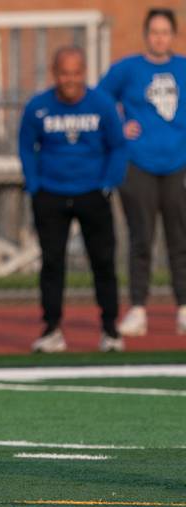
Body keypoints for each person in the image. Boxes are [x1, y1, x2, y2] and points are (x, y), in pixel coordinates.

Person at [18, 45, 128, 353]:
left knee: (103, 262)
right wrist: (34, 183)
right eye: (64, 73)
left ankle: (110, 329)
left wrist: (108, 183)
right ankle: (52, 329)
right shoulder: (38, 107)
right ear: (55, 74)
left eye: (76, 73)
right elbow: (27, 146)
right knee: (52, 263)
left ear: (84, 73)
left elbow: (118, 146)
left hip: (92, 193)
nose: (70, 79)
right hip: (50, 195)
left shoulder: (102, 104)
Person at [98, 8, 186, 337]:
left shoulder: (183, 68)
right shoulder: (128, 69)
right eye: (154, 31)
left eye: (165, 31)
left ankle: (183, 308)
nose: (159, 37)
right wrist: (121, 126)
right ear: (146, 34)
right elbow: (100, 100)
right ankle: (137, 309)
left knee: (180, 239)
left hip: (179, 165)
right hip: (138, 165)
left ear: (173, 35)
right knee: (141, 239)